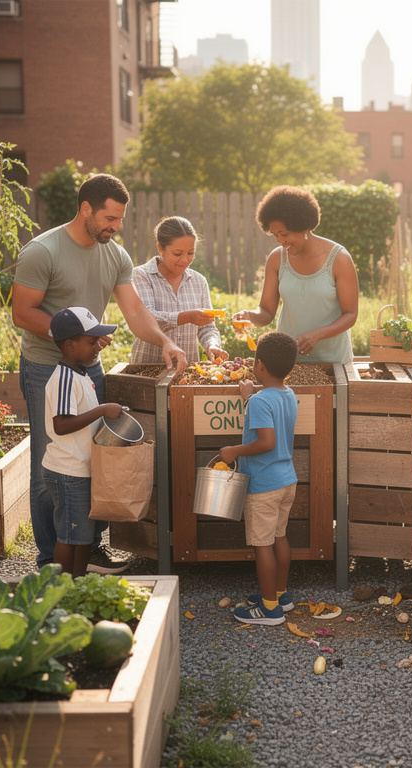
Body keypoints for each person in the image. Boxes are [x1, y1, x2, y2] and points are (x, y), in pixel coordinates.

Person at [12, 173, 186, 574]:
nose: (116, 226)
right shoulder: (43, 251)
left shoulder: (115, 255)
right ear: (86, 208)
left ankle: (88, 549)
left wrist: (165, 342)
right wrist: (77, 335)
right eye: (110, 218)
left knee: (96, 456)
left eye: (120, 219)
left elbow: (135, 311)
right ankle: (50, 559)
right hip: (45, 367)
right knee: (50, 464)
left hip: (90, 365)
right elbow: (22, 313)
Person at [218, 331, 300, 626]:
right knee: (279, 537)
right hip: (286, 480)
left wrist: (233, 451)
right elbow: (270, 413)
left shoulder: (259, 402)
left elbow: (266, 442)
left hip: (264, 484)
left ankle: (269, 609)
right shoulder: (287, 394)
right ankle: (280, 595)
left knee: (262, 544)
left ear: (260, 365)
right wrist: (250, 397)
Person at [231, 186, 358, 364]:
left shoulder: (339, 258)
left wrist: (318, 335)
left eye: (284, 234)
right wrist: (249, 316)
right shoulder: (277, 259)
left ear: (303, 226)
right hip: (288, 360)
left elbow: (350, 314)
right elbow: (266, 311)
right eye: (275, 235)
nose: (280, 241)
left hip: (333, 360)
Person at [43, 307, 125, 576]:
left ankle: (77, 583)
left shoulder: (80, 373)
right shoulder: (64, 379)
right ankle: (62, 588)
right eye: (92, 342)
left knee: (82, 536)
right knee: (70, 535)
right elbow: (61, 425)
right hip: (68, 471)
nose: (98, 346)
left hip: (79, 469)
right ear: (70, 345)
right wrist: (102, 410)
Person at [131, 216, 228, 366]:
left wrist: (212, 345)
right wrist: (186, 317)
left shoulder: (199, 281)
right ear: (160, 248)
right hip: (148, 368)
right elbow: (145, 319)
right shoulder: (142, 275)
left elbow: (207, 327)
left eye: (190, 253)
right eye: (177, 254)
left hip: (187, 371)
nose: (184, 260)